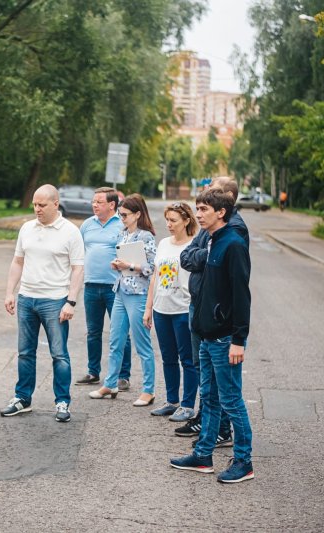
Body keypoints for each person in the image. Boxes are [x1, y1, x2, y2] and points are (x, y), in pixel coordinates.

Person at [170, 188, 254, 483]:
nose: (199, 214)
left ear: (221, 212)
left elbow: (241, 296)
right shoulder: (211, 240)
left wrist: (238, 340)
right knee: (209, 397)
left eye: (204, 209)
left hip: (224, 339)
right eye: (198, 208)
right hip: (206, 336)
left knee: (231, 400)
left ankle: (244, 462)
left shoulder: (233, 244)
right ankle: (204, 455)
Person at [1, 184, 84, 422]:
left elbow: (78, 269)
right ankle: (22, 398)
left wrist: (71, 302)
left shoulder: (70, 232)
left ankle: (62, 402)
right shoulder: (27, 228)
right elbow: (18, 262)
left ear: (56, 204)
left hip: (55, 301)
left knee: (59, 354)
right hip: (27, 298)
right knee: (25, 353)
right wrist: (10, 292)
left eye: (42, 205)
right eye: (35, 205)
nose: (37, 209)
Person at [89, 194, 156, 407]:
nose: (122, 218)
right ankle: (110, 383)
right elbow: (123, 262)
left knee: (142, 344)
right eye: (120, 214)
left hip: (138, 295)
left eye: (125, 215)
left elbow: (153, 269)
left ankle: (148, 390)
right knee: (115, 340)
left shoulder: (146, 237)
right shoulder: (122, 234)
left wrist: (130, 265)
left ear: (137, 214)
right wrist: (117, 264)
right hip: (120, 290)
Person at [143, 202, 199, 422]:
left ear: (186, 220)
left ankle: (187, 406)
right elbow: (155, 277)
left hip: (183, 309)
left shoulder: (195, 244)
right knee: (168, 358)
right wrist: (148, 308)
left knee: (187, 359)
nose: (169, 224)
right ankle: (172, 401)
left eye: (174, 220)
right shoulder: (164, 243)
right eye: (167, 219)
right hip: (161, 309)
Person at [75, 187, 132, 391]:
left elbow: (129, 253)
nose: (94, 205)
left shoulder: (122, 225)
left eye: (99, 201)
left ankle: (123, 376)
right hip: (91, 286)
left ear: (112, 204)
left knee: (120, 332)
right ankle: (93, 372)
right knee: (93, 332)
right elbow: (79, 253)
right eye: (94, 201)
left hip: (114, 287)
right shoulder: (87, 225)